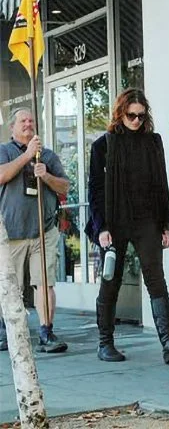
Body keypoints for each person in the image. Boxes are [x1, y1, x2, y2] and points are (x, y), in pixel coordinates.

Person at [86, 89, 169, 364]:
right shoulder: (103, 146)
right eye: (131, 115)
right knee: (110, 280)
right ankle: (105, 343)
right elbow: (95, 190)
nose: (137, 121)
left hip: (147, 219)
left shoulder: (153, 142)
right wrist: (101, 227)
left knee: (156, 279)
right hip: (114, 222)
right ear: (120, 113)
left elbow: (160, 184)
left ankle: (167, 341)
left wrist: (165, 224)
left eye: (141, 116)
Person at [0, 108, 69, 353]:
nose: (28, 124)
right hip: (13, 232)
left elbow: (64, 187)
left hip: (43, 230)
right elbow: (1, 175)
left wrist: (46, 176)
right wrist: (27, 155)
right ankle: (8, 331)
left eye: (31, 120)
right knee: (12, 287)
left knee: (45, 282)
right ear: (12, 127)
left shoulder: (47, 155)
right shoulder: (4, 151)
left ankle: (46, 331)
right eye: (23, 121)